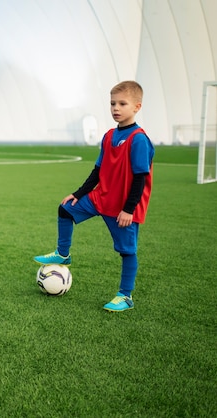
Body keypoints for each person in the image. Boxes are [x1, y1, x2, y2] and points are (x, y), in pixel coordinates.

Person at [34, 80, 154, 312]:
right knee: (65, 209)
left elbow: (140, 178)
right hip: (100, 197)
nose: (115, 108)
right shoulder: (109, 136)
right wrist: (78, 194)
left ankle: (125, 296)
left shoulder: (138, 139)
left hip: (123, 207)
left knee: (127, 251)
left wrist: (129, 209)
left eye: (122, 103)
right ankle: (63, 254)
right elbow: (98, 170)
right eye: (112, 103)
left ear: (137, 107)